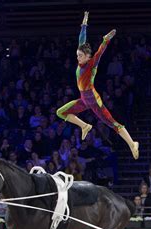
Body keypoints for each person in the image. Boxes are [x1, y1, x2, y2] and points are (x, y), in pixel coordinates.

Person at [56, 11, 139, 159]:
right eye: (77, 55)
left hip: (94, 101)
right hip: (84, 100)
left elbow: (100, 52)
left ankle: (132, 143)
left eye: (80, 56)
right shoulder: (82, 59)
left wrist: (105, 40)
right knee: (60, 112)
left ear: (88, 56)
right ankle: (84, 126)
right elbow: (82, 40)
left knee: (112, 123)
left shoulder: (91, 64)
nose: (78, 58)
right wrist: (84, 24)